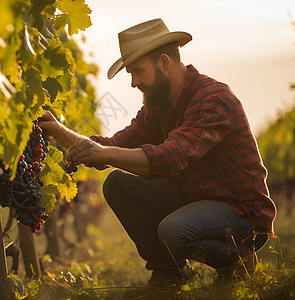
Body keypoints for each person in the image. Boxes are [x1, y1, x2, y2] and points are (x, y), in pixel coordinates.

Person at [38, 18, 276, 287]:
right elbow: (113, 145)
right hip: (195, 202)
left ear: (164, 62)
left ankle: (238, 257)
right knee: (118, 184)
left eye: (137, 71)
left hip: (241, 214)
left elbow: (171, 158)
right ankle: (168, 275)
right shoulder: (157, 106)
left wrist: (104, 154)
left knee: (174, 230)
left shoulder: (212, 98)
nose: (133, 82)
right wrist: (57, 129)